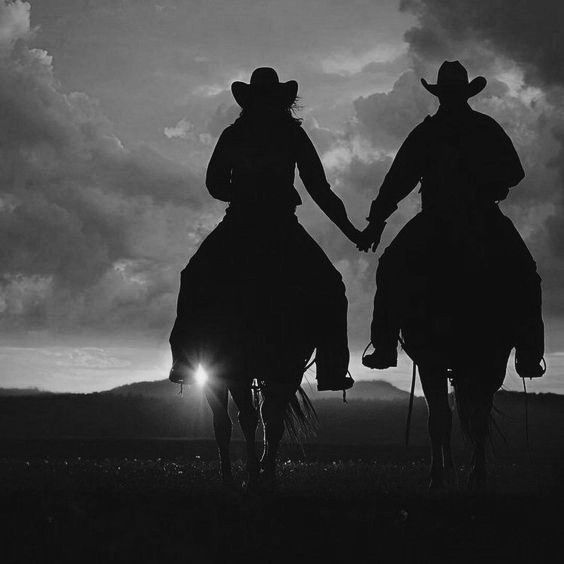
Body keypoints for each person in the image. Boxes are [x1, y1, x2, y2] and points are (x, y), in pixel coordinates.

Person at [169, 67, 358, 391]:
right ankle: (332, 369)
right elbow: (319, 188)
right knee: (330, 286)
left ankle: (183, 360)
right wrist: (354, 233)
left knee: (194, 277)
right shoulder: (291, 134)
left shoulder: (234, 134)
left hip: (240, 223)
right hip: (281, 226)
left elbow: (214, 183)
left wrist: (241, 192)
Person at [359, 60, 545, 379]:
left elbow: (397, 182)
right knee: (525, 274)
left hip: (437, 218)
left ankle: (385, 345)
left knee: (391, 268)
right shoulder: (484, 128)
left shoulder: (428, 132)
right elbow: (515, 172)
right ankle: (529, 353)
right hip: (482, 216)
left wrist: (377, 223)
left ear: (442, 95)